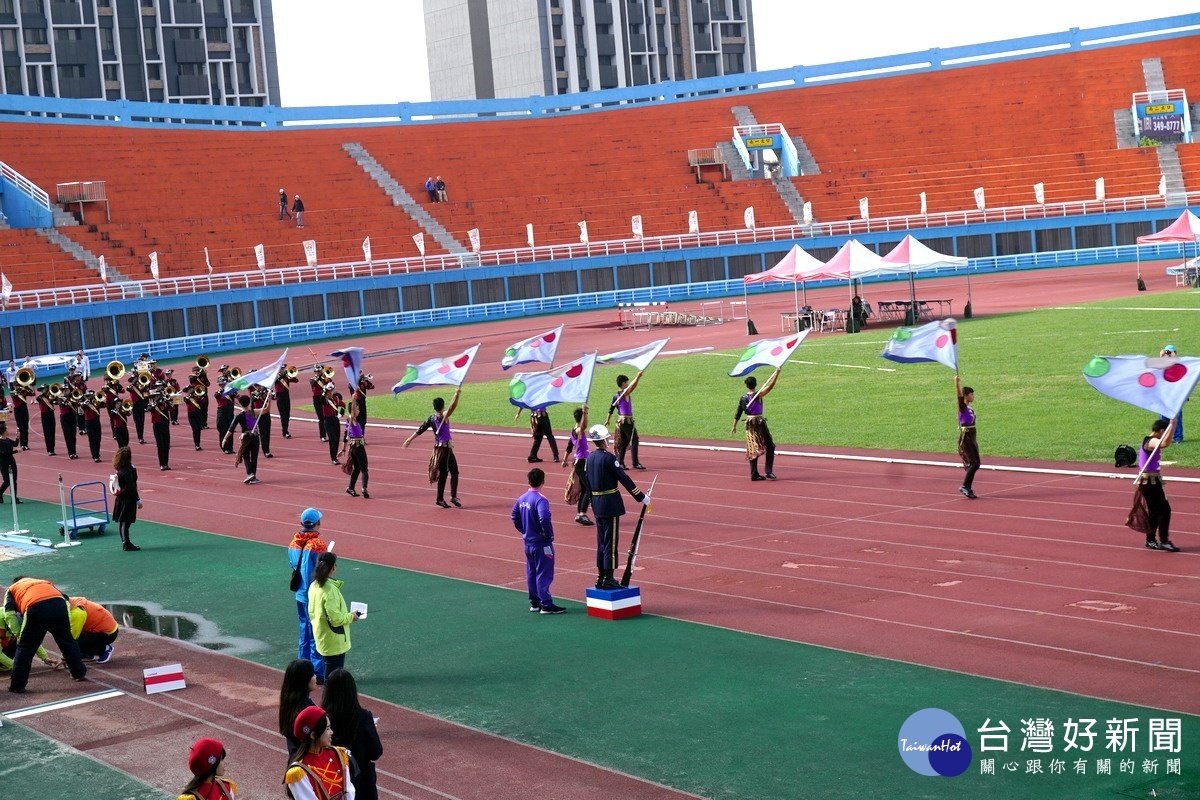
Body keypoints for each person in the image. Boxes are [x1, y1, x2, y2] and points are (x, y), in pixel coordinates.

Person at [584, 424, 648, 590]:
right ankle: (609, 578)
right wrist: (640, 496)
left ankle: (601, 576)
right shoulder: (609, 458)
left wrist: (592, 501)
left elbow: (587, 483)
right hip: (609, 504)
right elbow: (624, 478)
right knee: (611, 543)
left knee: (601, 542)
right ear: (604, 440)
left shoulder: (589, 458)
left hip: (597, 504)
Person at [4, 576, 89, 693]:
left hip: (35, 606)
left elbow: (9, 614)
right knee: (68, 641)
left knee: (25, 648)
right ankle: (78, 673)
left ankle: (17, 685)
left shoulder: (12, 589)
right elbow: (65, 600)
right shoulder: (45, 582)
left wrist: (18, 634)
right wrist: (66, 627)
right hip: (59, 605)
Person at [322, 669, 383, 800]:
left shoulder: (322, 718)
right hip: (362, 783)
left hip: (331, 779)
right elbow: (376, 752)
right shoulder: (364, 717)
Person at [512, 467, 565, 614]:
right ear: (543, 481)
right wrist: (547, 534)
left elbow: (514, 516)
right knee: (544, 572)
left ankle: (535, 602)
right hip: (541, 543)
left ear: (529, 481)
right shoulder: (541, 500)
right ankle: (546, 604)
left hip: (528, 543)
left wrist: (524, 530)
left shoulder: (521, 499)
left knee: (531, 572)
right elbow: (544, 518)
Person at [404, 388, 462, 508]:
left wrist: (409, 439)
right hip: (445, 449)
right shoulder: (443, 416)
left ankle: (440, 498)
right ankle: (452, 496)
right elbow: (452, 408)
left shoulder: (431, 418)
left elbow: (421, 429)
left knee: (445, 473)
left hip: (438, 450)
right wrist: (456, 395)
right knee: (454, 472)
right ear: (442, 406)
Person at [284, 706, 356, 800]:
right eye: (327, 729)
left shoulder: (338, 754)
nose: (332, 732)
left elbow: (349, 790)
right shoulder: (298, 772)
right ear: (313, 735)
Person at [308, 552, 362, 676]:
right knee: (332, 679)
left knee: (330, 675)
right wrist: (351, 616)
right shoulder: (330, 590)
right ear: (333, 567)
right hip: (333, 641)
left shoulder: (314, 585)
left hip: (322, 635)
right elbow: (335, 619)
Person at [290, 508, 328, 678]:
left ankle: (301, 666)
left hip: (299, 592)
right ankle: (318, 671)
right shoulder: (318, 545)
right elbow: (323, 571)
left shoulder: (293, 542)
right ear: (317, 523)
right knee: (316, 632)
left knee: (304, 629)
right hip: (313, 594)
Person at [1134, 418, 1180, 551]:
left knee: (1155, 511)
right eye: (1164, 432)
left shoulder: (1149, 440)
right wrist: (1173, 426)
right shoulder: (1150, 441)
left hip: (1151, 481)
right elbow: (1164, 443)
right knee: (1164, 510)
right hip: (1149, 482)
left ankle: (1151, 539)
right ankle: (1163, 540)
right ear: (1161, 431)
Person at [732, 369, 779, 481]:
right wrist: (776, 374)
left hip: (749, 424)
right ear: (755, 384)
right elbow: (770, 387)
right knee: (769, 446)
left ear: (746, 386)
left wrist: (734, 425)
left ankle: (755, 473)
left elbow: (738, 412)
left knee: (753, 448)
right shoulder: (758, 395)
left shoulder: (744, 398)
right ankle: (767, 472)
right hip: (758, 423)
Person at [278, 658, 318, 756]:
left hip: (295, 762)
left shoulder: (289, 703)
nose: (315, 677)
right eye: (312, 674)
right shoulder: (305, 709)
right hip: (306, 764)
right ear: (303, 679)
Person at [606, 371, 645, 469]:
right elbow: (633, 386)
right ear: (623, 383)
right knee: (634, 440)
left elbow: (611, 409)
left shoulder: (616, 395)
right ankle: (635, 463)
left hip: (620, 422)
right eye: (626, 382)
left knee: (624, 442)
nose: (628, 384)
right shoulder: (624, 394)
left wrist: (608, 420)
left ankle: (620, 462)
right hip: (627, 422)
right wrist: (638, 377)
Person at [563, 406, 593, 525]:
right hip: (582, 462)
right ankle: (582, 514)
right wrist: (585, 412)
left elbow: (569, 446)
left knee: (585, 488)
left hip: (580, 462)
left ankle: (581, 513)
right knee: (588, 488)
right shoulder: (577, 431)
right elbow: (584, 426)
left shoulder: (574, 431)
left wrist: (564, 460)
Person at [223, 395, 261, 484]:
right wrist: (269, 398)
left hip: (246, 437)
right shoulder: (254, 412)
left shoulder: (239, 415)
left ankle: (250, 473)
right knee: (254, 457)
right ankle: (253, 476)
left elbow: (231, 428)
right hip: (255, 436)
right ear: (249, 402)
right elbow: (266, 409)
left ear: (240, 404)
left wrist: (225, 438)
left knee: (246, 456)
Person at [69, 596, 119, 663]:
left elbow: (72, 637)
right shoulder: (72, 602)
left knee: (75, 643)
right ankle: (88, 654)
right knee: (74, 637)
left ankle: (105, 649)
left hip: (108, 633)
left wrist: (65, 656)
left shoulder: (76, 612)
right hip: (98, 629)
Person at [111, 446, 142, 551]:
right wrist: (138, 500)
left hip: (121, 499)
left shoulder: (120, 467)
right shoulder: (127, 470)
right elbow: (131, 486)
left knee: (123, 522)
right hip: (127, 499)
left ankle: (125, 542)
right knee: (125, 521)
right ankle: (126, 543)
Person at [955, 374, 980, 499]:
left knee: (975, 464)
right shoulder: (963, 407)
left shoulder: (969, 408)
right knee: (975, 464)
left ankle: (967, 487)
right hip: (967, 438)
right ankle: (965, 487)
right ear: (966, 396)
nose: (973, 396)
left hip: (972, 437)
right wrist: (957, 383)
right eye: (971, 394)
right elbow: (959, 397)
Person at [341, 400, 369, 498]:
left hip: (353, 448)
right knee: (364, 468)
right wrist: (353, 399)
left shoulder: (349, 422)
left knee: (357, 468)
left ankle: (351, 488)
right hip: (358, 447)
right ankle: (364, 488)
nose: (359, 411)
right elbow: (352, 412)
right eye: (357, 409)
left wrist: (343, 449)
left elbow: (345, 436)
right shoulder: (352, 420)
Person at [1157, 345, 1185, 443]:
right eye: (1167, 353)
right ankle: (1164, 437)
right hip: (1163, 395)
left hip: (1176, 396)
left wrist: (1174, 358)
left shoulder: (1179, 365)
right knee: (1163, 418)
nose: (1168, 355)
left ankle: (1178, 438)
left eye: (1170, 353)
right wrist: (1161, 358)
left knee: (1176, 417)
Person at [150, 389, 172, 470]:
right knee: (160, 446)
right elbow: (150, 409)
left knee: (167, 445)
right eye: (155, 396)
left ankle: (166, 463)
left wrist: (167, 401)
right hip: (157, 427)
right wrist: (156, 403)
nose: (157, 397)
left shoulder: (164, 403)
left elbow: (171, 408)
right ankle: (162, 464)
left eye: (158, 396)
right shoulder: (152, 403)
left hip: (165, 426)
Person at [0, 422, 20, 504]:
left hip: (11, 461)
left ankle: (14, 498)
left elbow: (15, 444)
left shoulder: (7, 439)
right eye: (6, 429)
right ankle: (0, 493)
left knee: (14, 480)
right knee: (7, 481)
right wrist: (16, 451)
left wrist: (18, 437)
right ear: (4, 431)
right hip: (4, 463)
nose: (8, 430)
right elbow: (4, 453)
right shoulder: (0, 442)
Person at [275, 366, 298, 438]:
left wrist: (291, 375)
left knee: (287, 414)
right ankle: (284, 432)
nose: (282, 370)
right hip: (280, 397)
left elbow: (296, 380)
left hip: (286, 396)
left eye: (283, 369)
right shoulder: (276, 377)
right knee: (283, 415)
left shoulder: (286, 376)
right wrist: (279, 376)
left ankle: (286, 430)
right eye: (281, 369)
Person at [56, 386, 78, 459]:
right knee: (68, 436)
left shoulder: (73, 397)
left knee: (73, 436)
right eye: (64, 391)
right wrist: (65, 400)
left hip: (72, 417)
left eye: (67, 390)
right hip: (64, 418)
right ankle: (70, 453)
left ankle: (74, 452)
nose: (66, 392)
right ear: (62, 391)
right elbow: (60, 404)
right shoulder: (60, 398)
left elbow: (76, 404)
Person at [35, 385, 56, 456]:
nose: (45, 390)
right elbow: (38, 399)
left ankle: (52, 449)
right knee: (47, 433)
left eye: (46, 389)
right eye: (43, 389)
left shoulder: (51, 396)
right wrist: (45, 395)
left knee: (52, 431)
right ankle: (49, 450)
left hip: (51, 414)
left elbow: (56, 400)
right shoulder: (40, 397)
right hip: (44, 416)